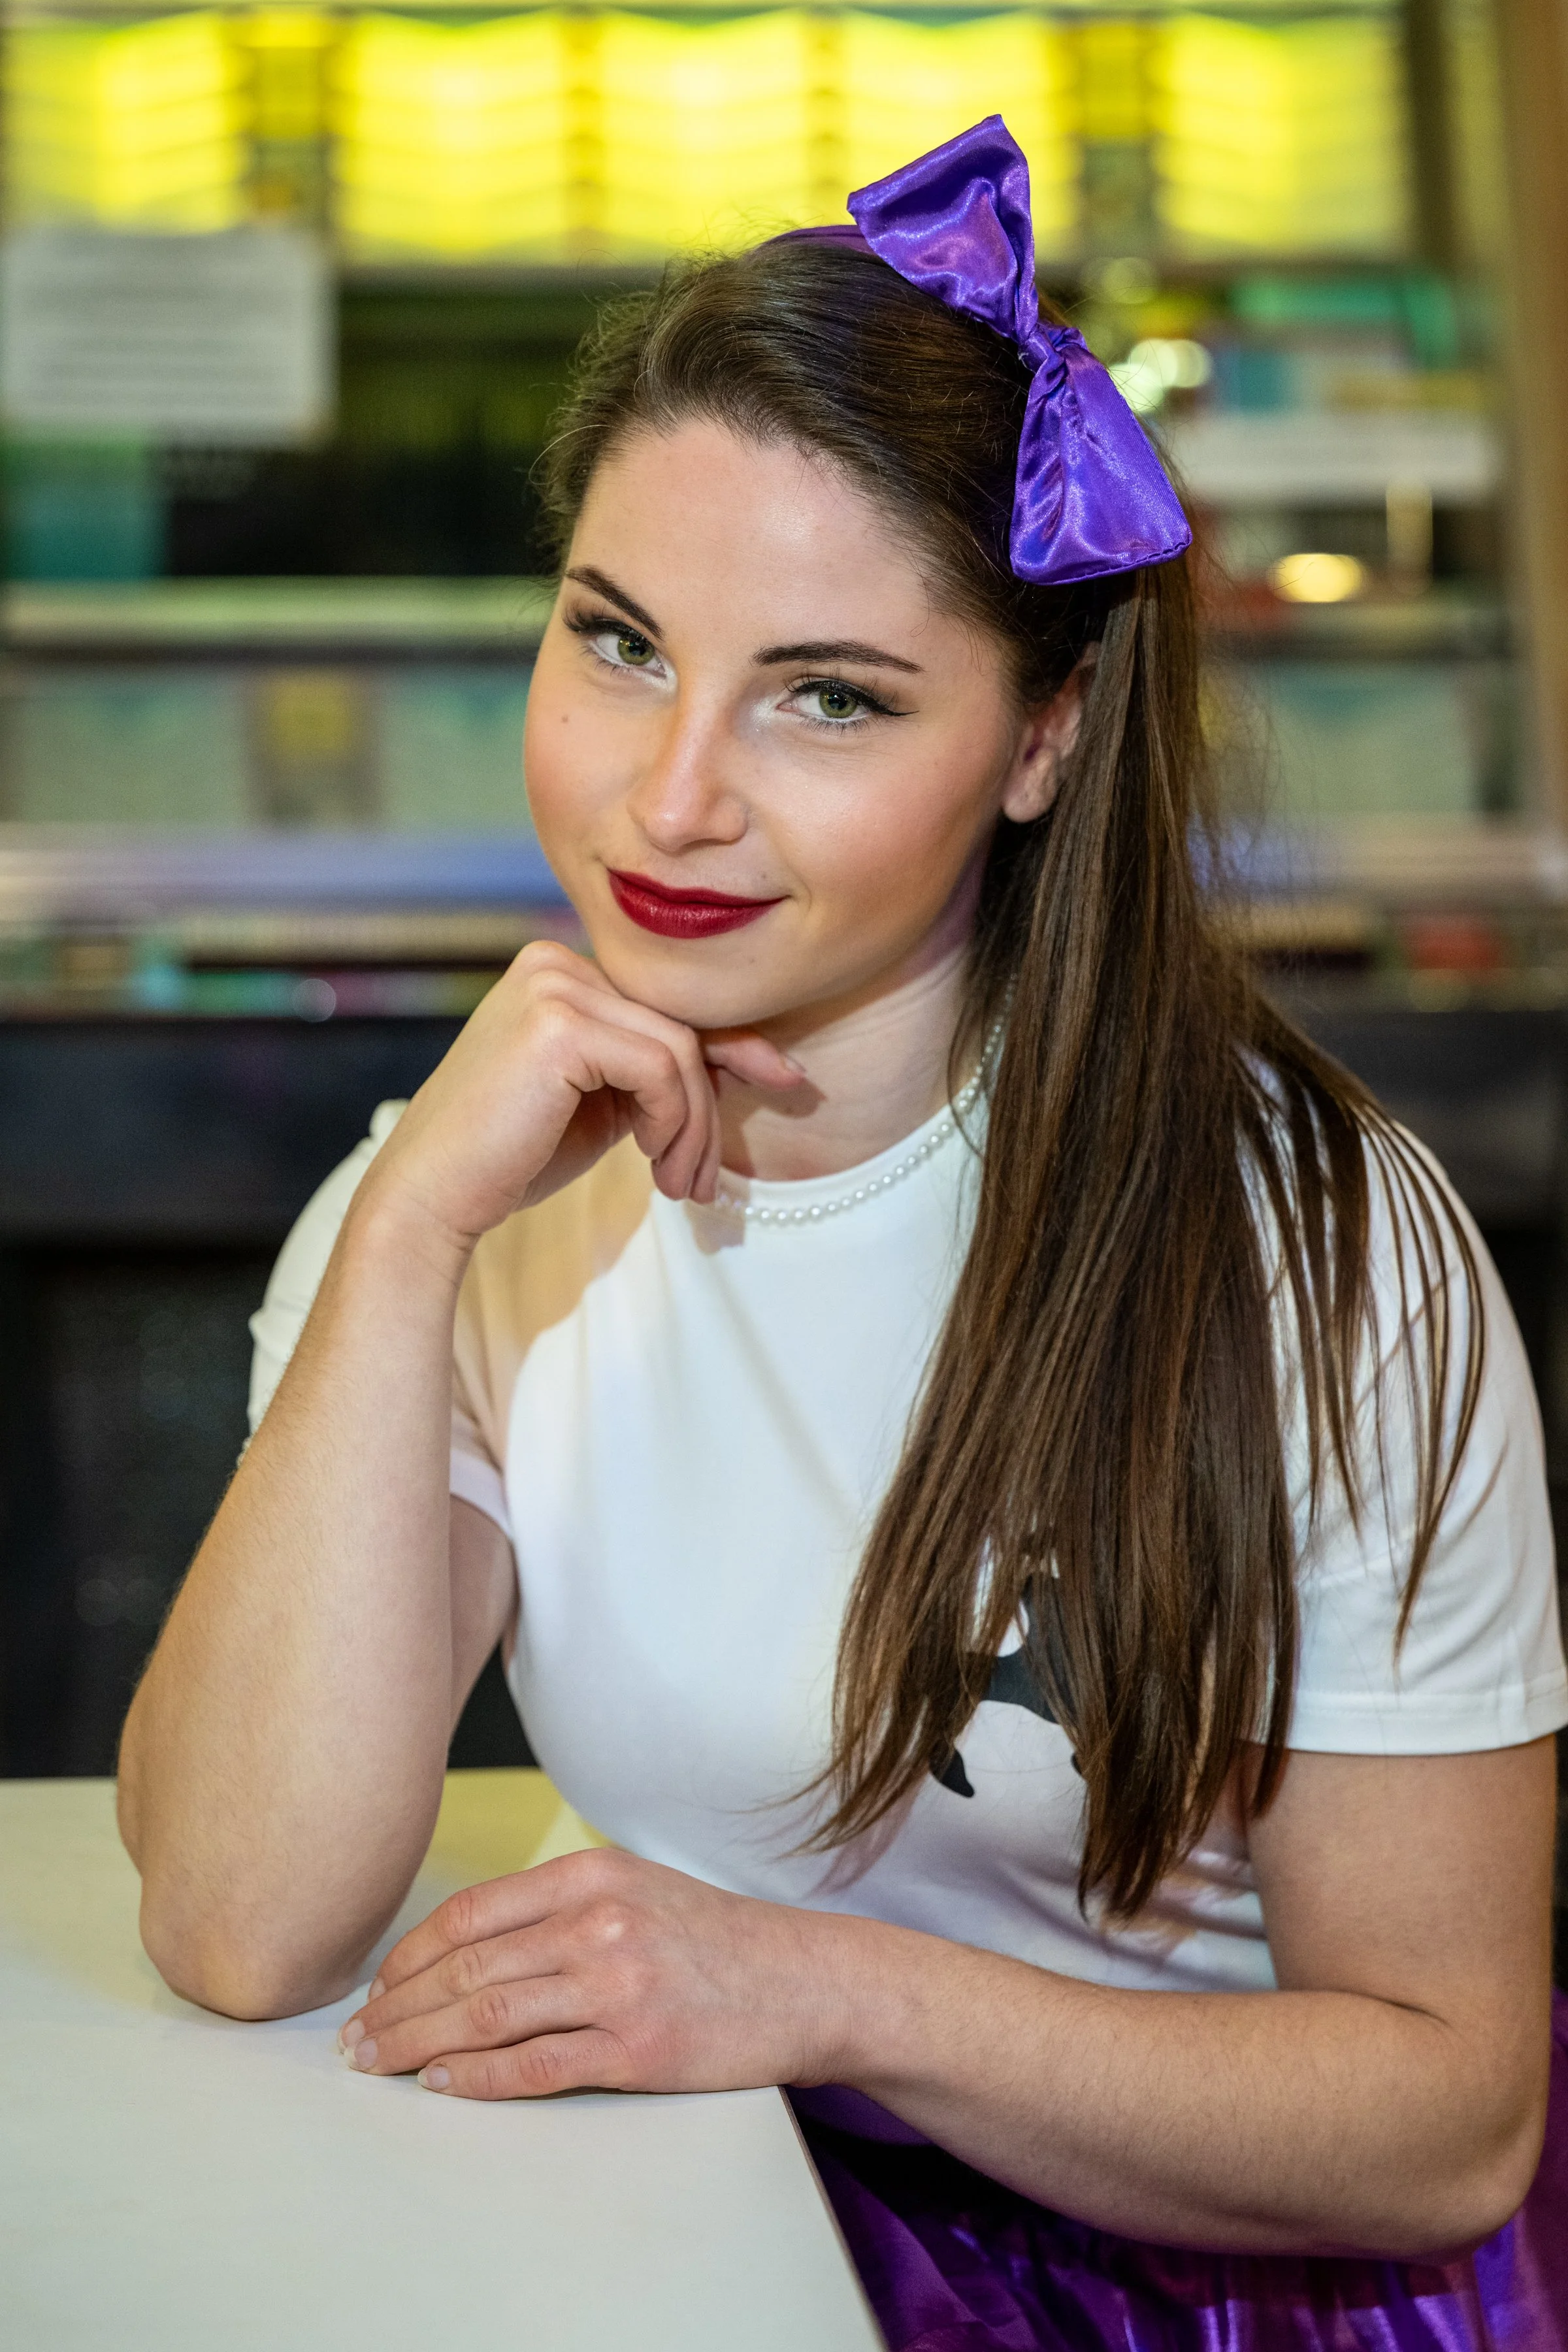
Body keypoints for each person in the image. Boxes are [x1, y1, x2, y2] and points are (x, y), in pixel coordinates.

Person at [117, 121, 1567, 2350]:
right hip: (712, 2219)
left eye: (831, 695)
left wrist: (815, 1992)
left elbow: (1443, 2122)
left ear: (1043, 736)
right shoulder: (471, 1200)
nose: (672, 795)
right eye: (619, 643)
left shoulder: (1315, 1249)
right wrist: (400, 1229)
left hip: (1220, 2293)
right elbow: (239, 1922)